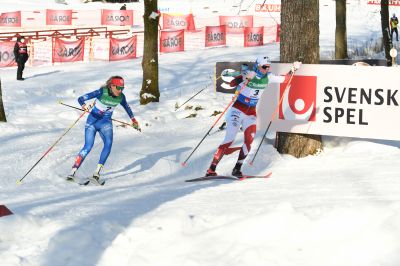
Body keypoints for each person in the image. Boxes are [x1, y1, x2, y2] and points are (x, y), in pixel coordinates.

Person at [205, 56, 301, 177]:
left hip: (251, 113)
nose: (266, 69)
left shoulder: (269, 77)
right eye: (264, 67)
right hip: (238, 110)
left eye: (268, 67)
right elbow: (232, 83)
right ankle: (211, 169)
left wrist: (293, 69)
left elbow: (286, 79)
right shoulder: (249, 73)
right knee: (230, 138)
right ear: (257, 66)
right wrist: (244, 79)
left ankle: (237, 169)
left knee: (249, 140)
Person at [67, 76, 140, 184]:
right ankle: (73, 172)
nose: (120, 91)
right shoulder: (102, 92)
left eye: (122, 88)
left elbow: (127, 108)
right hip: (92, 121)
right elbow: (80, 98)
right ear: (111, 86)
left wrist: (134, 120)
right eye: (118, 88)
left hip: (105, 123)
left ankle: (96, 173)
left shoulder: (121, 97)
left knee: (109, 143)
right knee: (88, 146)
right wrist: (84, 106)